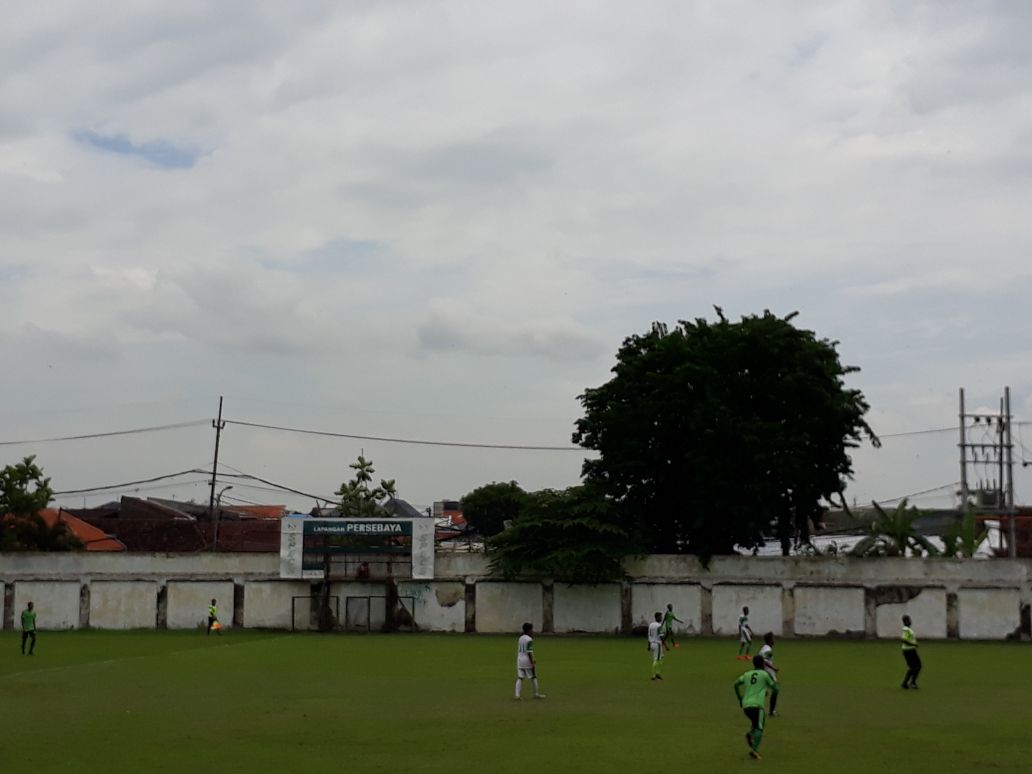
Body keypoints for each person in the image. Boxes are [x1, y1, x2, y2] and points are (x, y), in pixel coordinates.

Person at [734, 654, 780, 760]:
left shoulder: (747, 674)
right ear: (763, 664)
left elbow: (736, 684)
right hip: (757, 706)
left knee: (755, 723)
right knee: (759, 728)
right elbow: (775, 688)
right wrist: (772, 693)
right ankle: (753, 750)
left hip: (746, 706)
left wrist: (740, 699)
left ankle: (750, 734)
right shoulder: (764, 674)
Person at [515, 622, 545, 699]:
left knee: (520, 677)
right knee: (533, 677)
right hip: (527, 661)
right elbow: (529, 652)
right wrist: (532, 661)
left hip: (519, 660)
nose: (532, 631)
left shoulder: (520, 638)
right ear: (529, 630)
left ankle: (517, 695)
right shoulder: (529, 639)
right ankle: (536, 694)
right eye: (532, 629)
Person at [757, 632, 779, 716]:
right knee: (775, 690)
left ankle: (758, 708)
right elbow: (765, 661)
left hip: (763, 672)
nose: (774, 640)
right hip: (767, 673)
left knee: (764, 691)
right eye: (773, 639)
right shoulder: (768, 650)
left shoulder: (764, 648)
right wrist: (774, 668)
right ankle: (771, 711)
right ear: (770, 640)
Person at [901, 615, 921, 689]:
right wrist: (914, 644)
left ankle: (905, 683)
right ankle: (912, 683)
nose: (910, 621)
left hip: (910, 650)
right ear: (906, 621)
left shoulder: (908, 629)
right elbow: (903, 640)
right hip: (909, 651)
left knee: (913, 667)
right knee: (917, 666)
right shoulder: (906, 629)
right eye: (909, 620)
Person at [648, 611, 665, 680]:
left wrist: (649, 645)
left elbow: (649, 635)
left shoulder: (651, 625)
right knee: (656, 659)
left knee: (661, 657)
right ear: (657, 617)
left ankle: (658, 673)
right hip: (657, 644)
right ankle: (653, 675)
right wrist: (666, 645)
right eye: (660, 617)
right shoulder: (659, 626)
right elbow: (661, 636)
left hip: (652, 643)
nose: (661, 618)